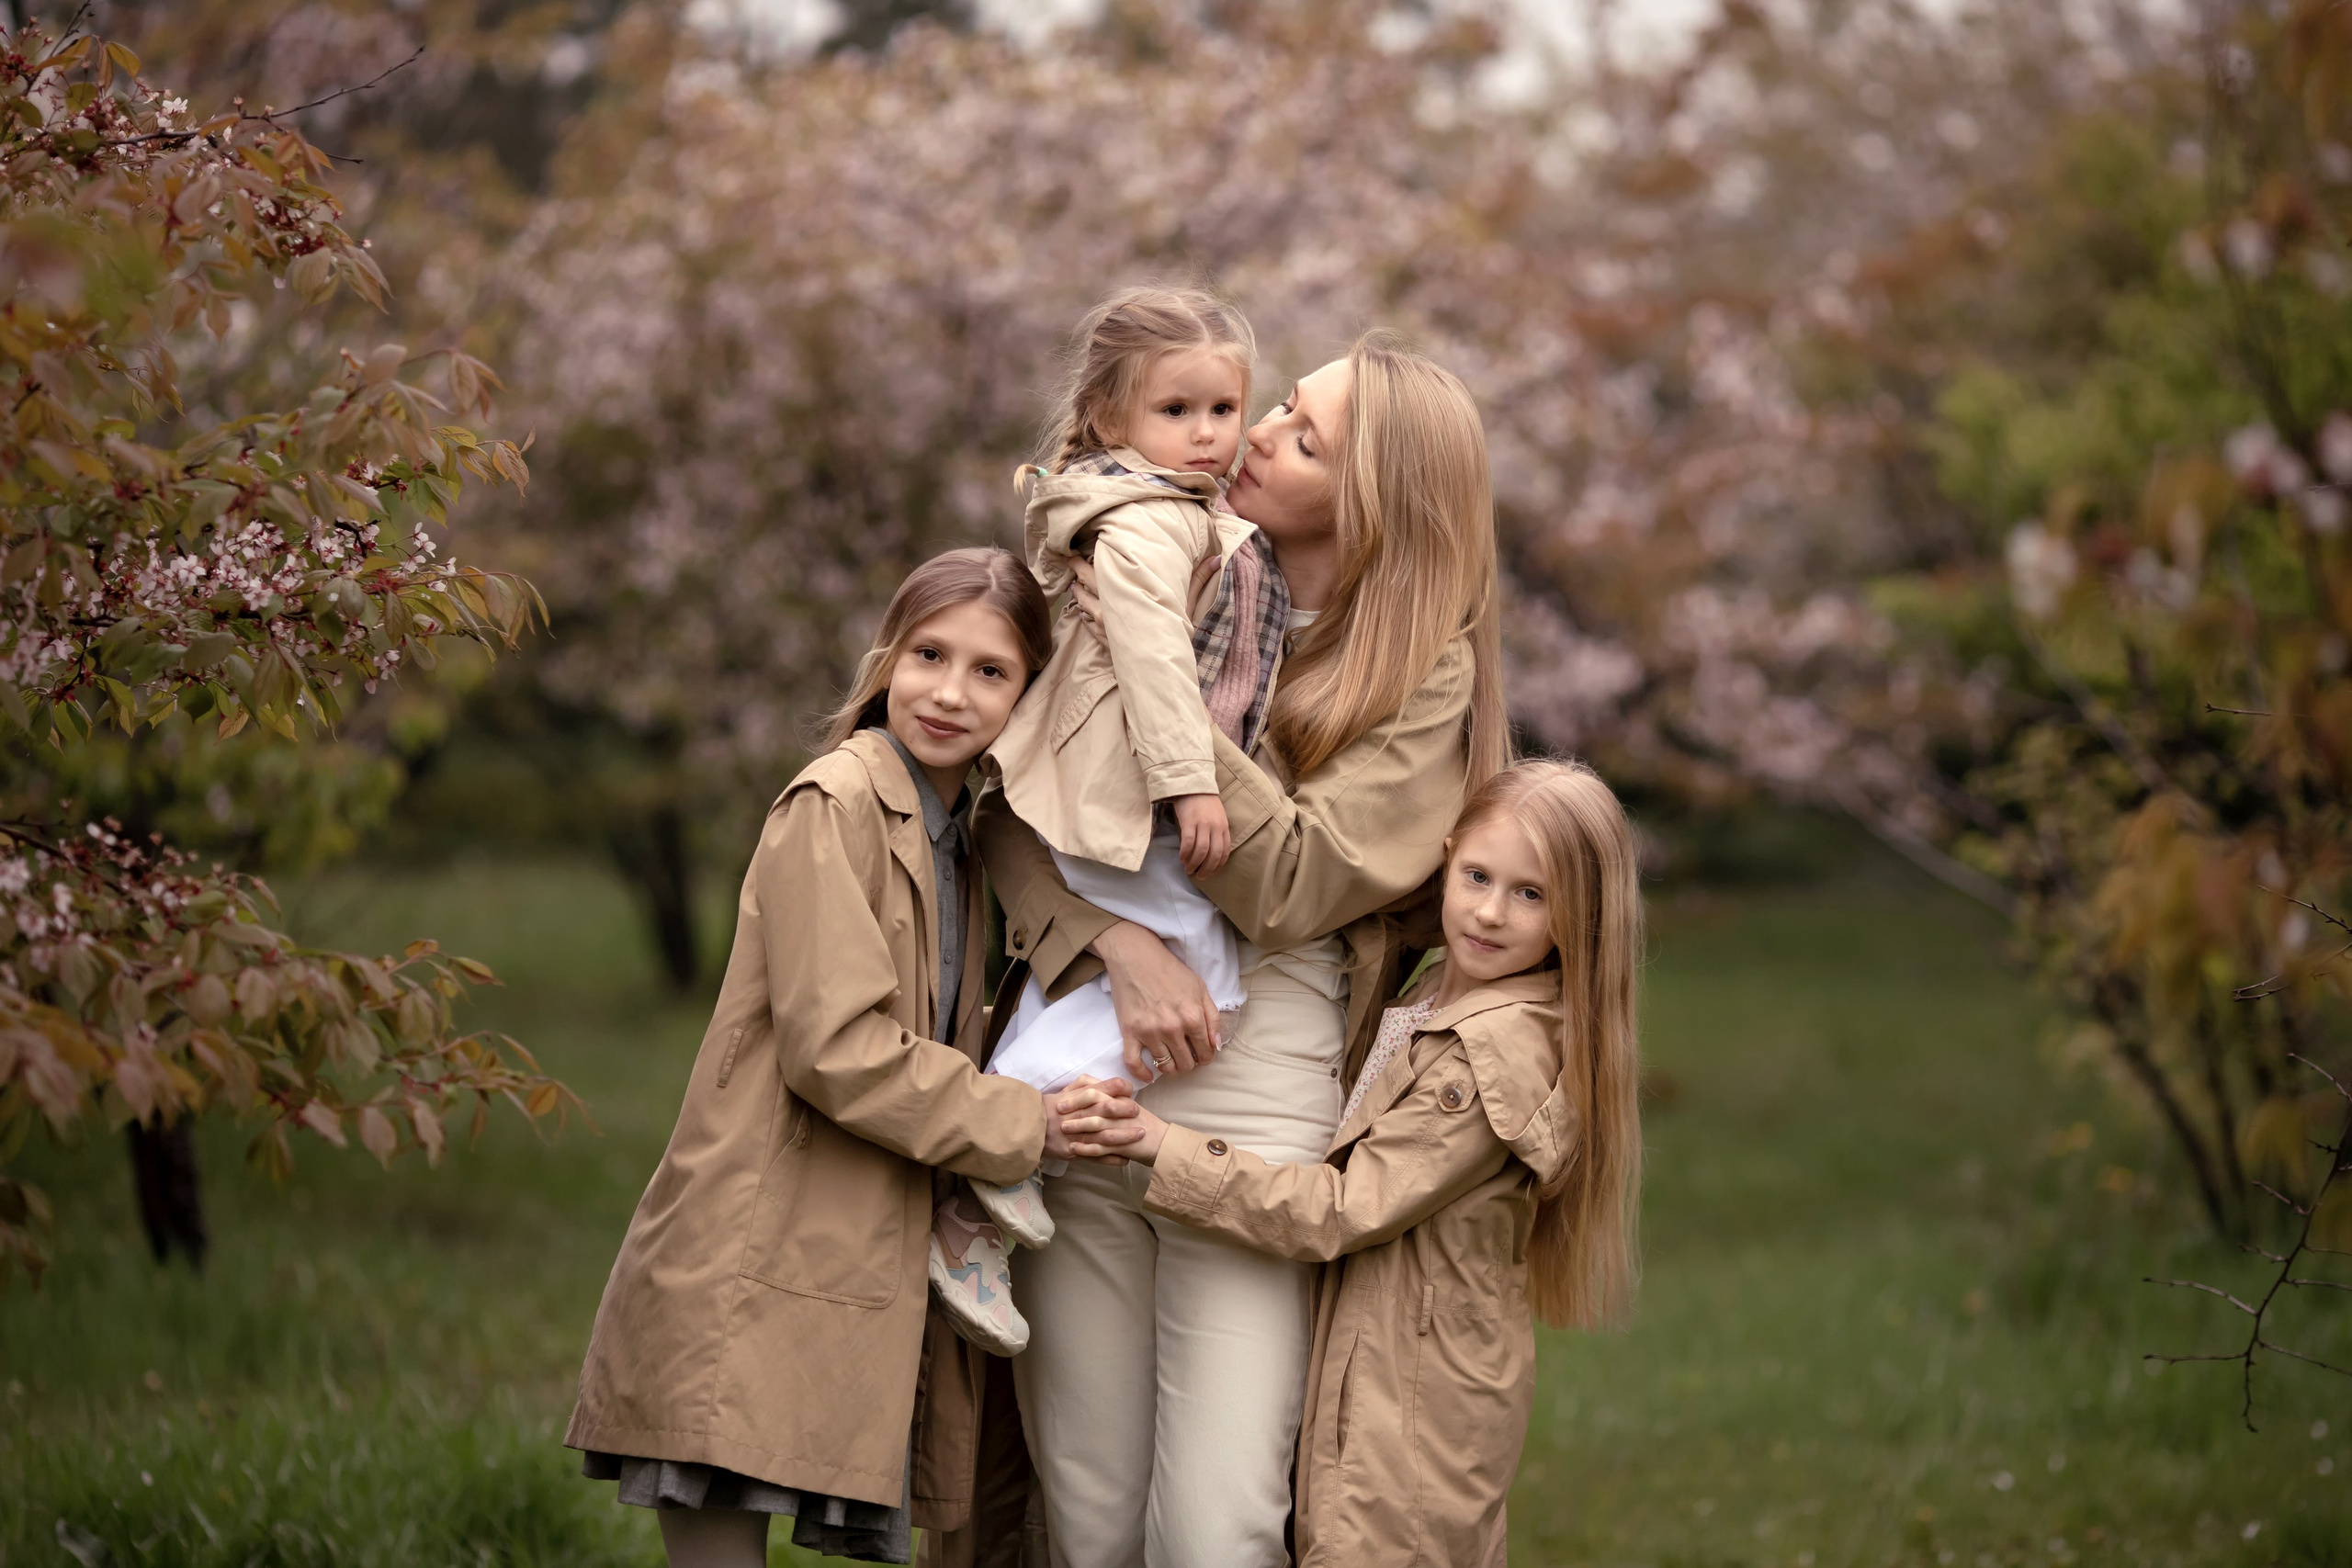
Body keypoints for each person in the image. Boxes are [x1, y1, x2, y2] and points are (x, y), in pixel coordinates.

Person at [946, 332, 1513, 1568]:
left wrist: (1163, 692)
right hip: (1081, 1045)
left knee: (1216, 1525)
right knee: (1083, 1511)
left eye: (1303, 437)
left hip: (1258, 1083)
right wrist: (1111, 942)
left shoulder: (1422, 670)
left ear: (1375, 501)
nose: (1252, 432)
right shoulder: (1149, 553)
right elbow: (1002, 801)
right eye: (1282, 407)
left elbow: (1301, 878)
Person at [564, 547, 1104, 1568]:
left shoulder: (961, 828)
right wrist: (1022, 1122)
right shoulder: (839, 802)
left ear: (1029, 694)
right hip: (752, 1243)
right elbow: (837, 1048)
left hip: (827, 1243)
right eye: (928, 653)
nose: (948, 692)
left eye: (990, 671)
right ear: (885, 658)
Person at [1059, 759, 1645, 1566]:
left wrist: (1164, 1148)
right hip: (1384, 1359)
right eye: (1477, 875)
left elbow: (1342, 1209)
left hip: (1409, 1400)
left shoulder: (1486, 1056)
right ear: (1445, 858)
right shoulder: (1440, 990)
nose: (1489, 911)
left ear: (1581, 915)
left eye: (1531, 893)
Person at [933, 284, 1285, 1356]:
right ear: (1106, 417)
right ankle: (988, 1163)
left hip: (1126, 799)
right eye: (1176, 412)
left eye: (1224, 411)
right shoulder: (1143, 521)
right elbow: (1150, 653)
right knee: (1197, 991)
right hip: (1132, 798)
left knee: (1156, 992)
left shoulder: (1177, 512)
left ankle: (999, 1165)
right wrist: (1192, 783)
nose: (1208, 435)